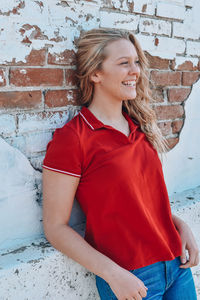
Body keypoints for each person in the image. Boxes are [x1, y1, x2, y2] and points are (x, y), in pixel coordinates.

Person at [42, 28, 199, 300]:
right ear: (95, 74)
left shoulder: (140, 127)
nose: (135, 71)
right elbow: (55, 228)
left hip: (176, 264)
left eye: (136, 61)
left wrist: (178, 224)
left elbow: (140, 200)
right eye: (124, 63)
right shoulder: (73, 139)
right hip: (130, 277)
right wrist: (112, 274)